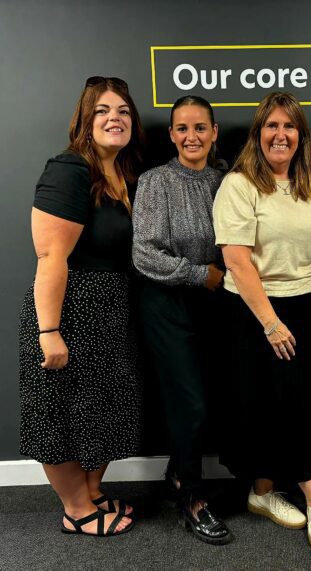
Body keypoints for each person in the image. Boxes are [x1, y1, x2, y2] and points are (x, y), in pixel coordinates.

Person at [212, 92, 311, 556]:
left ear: (301, 136)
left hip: (305, 303)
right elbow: (237, 261)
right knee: (284, 403)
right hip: (256, 311)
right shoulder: (239, 185)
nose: (280, 135)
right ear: (258, 134)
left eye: (289, 126)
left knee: (291, 402)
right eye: (272, 126)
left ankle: (262, 492)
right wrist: (270, 323)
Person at [19, 76, 144, 536]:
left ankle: (91, 492)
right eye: (103, 111)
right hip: (70, 311)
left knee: (99, 409)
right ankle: (76, 509)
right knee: (58, 413)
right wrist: (49, 331)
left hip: (110, 314)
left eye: (123, 111)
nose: (115, 119)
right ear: (85, 120)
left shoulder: (123, 174)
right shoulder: (69, 169)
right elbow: (51, 255)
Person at [132, 95, 231, 544]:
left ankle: (178, 472)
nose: (192, 137)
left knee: (209, 399)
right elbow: (144, 253)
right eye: (183, 128)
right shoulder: (156, 181)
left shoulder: (226, 180)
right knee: (189, 403)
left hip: (217, 304)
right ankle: (193, 500)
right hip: (168, 304)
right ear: (171, 134)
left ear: (214, 132)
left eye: (200, 127)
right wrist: (198, 273)